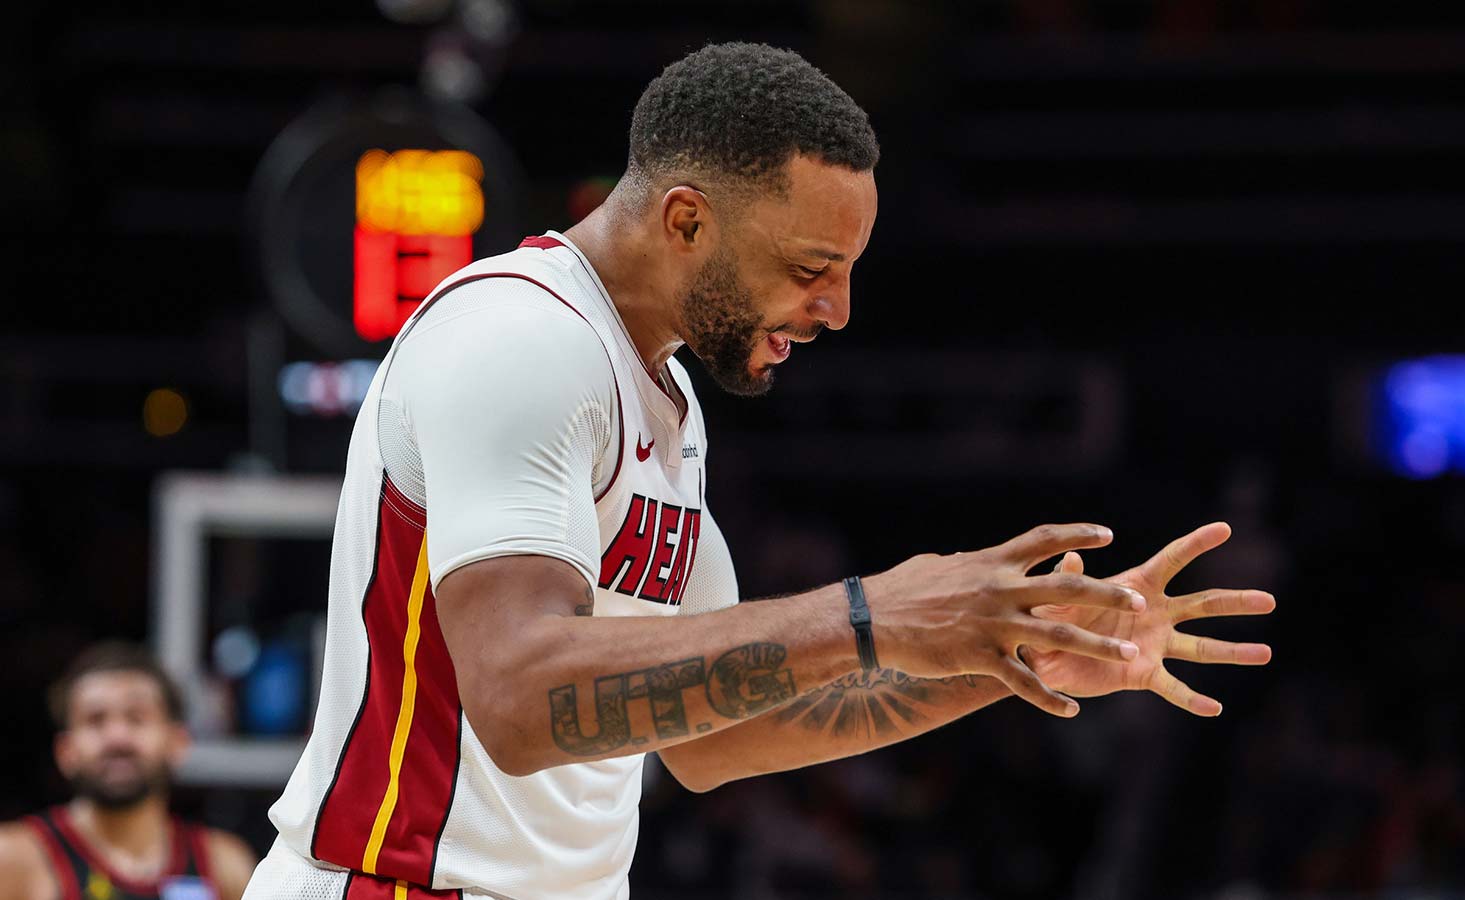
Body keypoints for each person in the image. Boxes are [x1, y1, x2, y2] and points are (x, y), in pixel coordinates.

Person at [244, 41, 1276, 900]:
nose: (836, 312)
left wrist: (997, 655)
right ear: (686, 221)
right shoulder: (517, 337)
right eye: (808, 271)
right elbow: (518, 703)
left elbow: (722, 731)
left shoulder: (666, 396)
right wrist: (869, 611)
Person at [0, 642, 258, 900]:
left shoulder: (225, 865)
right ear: (65, 751)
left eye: (137, 718)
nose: (117, 737)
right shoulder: (14, 859)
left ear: (177, 743)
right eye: (95, 720)